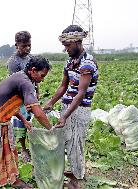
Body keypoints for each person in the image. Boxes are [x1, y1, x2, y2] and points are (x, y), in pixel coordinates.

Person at [0, 55, 52, 189]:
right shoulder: (25, 82)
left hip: (2, 121)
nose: (42, 80)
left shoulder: (21, 76)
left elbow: (11, 103)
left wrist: (24, 120)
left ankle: (14, 180)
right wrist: (52, 131)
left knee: (9, 153)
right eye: (42, 75)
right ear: (33, 70)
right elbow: (38, 113)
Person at [44, 25, 98, 189]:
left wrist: (65, 115)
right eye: (65, 45)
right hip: (67, 106)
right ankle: (75, 170)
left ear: (78, 42)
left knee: (76, 143)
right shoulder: (70, 62)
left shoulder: (87, 63)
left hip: (79, 109)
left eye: (68, 45)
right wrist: (51, 102)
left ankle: (76, 179)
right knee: (67, 141)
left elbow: (81, 93)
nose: (65, 48)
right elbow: (63, 86)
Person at [7, 31, 36, 163]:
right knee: (21, 121)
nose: (27, 48)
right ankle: (23, 149)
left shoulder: (30, 58)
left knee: (32, 120)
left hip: (31, 93)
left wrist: (37, 93)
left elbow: (34, 77)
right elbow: (17, 82)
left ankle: (33, 146)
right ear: (17, 45)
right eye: (24, 46)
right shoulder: (13, 61)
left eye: (29, 45)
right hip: (19, 96)